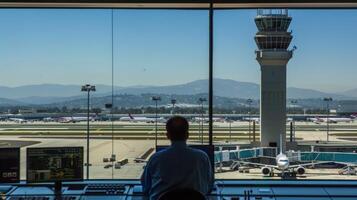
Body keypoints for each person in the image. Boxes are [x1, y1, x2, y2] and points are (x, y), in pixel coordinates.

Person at [141, 116, 213, 200]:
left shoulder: (155, 158)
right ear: (187, 135)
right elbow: (209, 186)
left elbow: (146, 187)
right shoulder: (202, 157)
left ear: (167, 135)